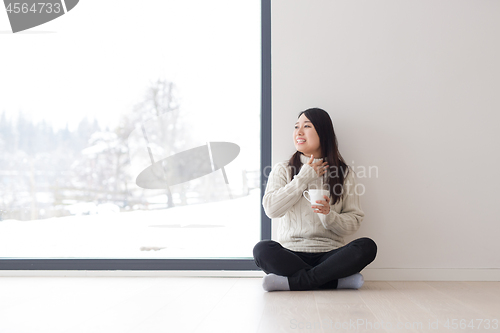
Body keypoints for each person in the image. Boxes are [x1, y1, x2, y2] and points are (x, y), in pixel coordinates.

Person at [253, 107, 377, 292]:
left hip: (330, 254)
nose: (299, 132)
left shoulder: (343, 173)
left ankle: (293, 282)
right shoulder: (283, 169)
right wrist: (303, 178)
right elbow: (271, 210)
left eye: (307, 126)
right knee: (262, 249)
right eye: (296, 127)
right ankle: (334, 282)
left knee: (367, 246)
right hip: (291, 252)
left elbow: (353, 222)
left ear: (323, 132)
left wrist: (329, 215)